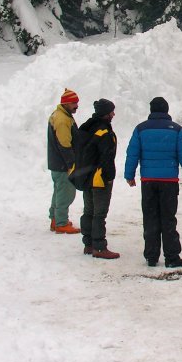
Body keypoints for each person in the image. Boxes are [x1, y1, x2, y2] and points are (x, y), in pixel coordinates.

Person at [124, 96, 182, 268]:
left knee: (150, 218)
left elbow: (132, 154)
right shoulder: (176, 130)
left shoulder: (140, 129)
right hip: (169, 181)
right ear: (166, 110)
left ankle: (151, 256)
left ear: (151, 110)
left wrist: (129, 175)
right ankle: (172, 257)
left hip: (148, 181)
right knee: (168, 218)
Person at [73, 98, 120, 259]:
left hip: (86, 176)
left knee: (88, 211)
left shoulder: (86, 127)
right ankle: (99, 247)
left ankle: (88, 244)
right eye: (111, 112)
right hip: (99, 178)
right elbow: (107, 157)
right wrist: (109, 176)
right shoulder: (104, 132)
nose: (113, 114)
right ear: (105, 113)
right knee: (99, 214)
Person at [46, 88, 81, 235]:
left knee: (58, 192)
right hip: (63, 165)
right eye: (73, 103)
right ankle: (61, 223)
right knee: (66, 194)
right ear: (66, 103)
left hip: (56, 163)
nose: (76, 106)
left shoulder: (60, 115)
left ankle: (55, 220)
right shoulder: (62, 119)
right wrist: (71, 164)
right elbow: (64, 144)